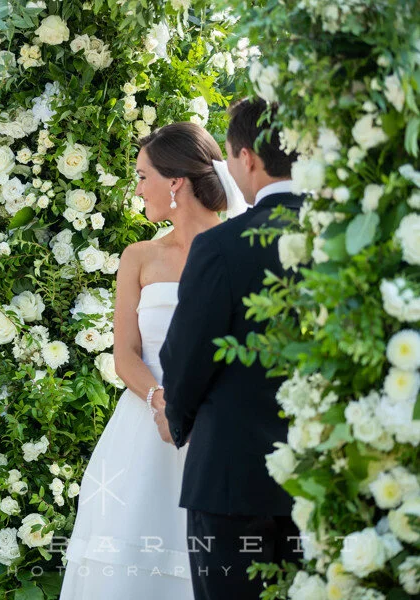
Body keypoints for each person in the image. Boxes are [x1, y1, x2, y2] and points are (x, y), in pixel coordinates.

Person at [60, 122, 246, 599]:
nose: (138, 188)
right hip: (144, 429)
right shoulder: (139, 258)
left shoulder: (242, 252)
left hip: (217, 432)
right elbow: (125, 355)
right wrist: (162, 401)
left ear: (175, 182)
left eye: (143, 176)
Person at [157, 98, 303, 600]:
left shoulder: (223, 247)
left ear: (247, 158)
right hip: (325, 475)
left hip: (231, 479)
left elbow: (185, 357)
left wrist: (177, 420)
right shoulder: (342, 239)